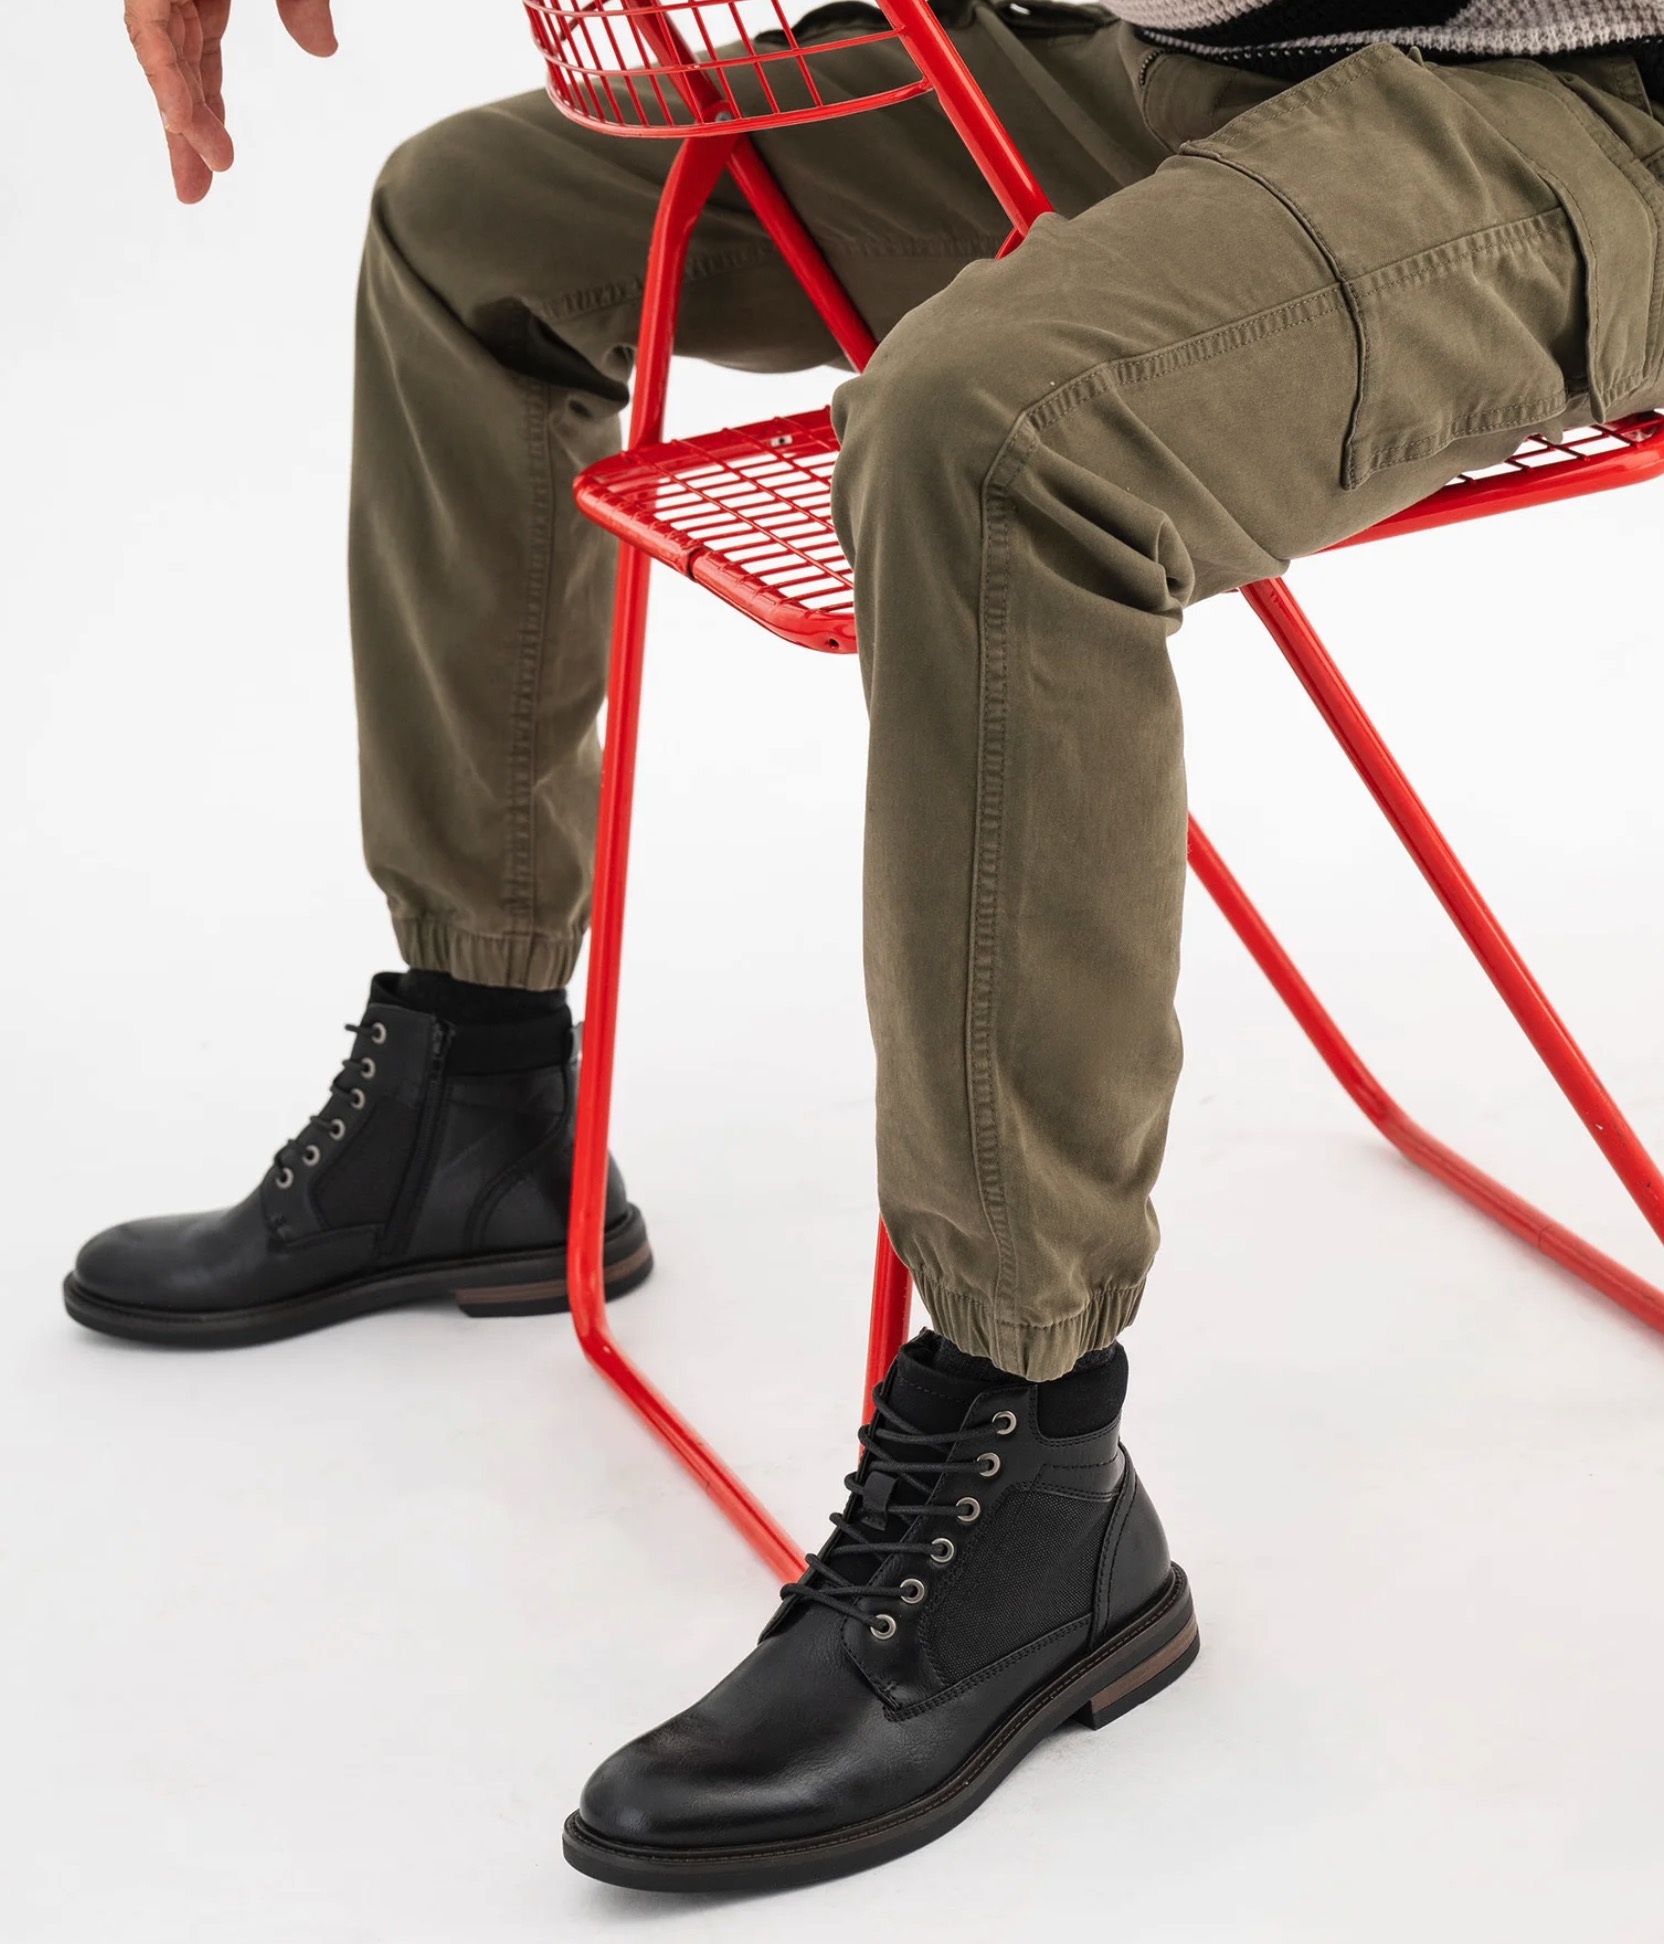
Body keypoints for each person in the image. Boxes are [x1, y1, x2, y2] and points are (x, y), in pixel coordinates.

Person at [91, 0, 1663, 1893]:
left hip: (1563, 104)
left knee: (995, 440)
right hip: (1171, 52)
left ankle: (1033, 1455)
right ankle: (476, 1088)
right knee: (469, 227)